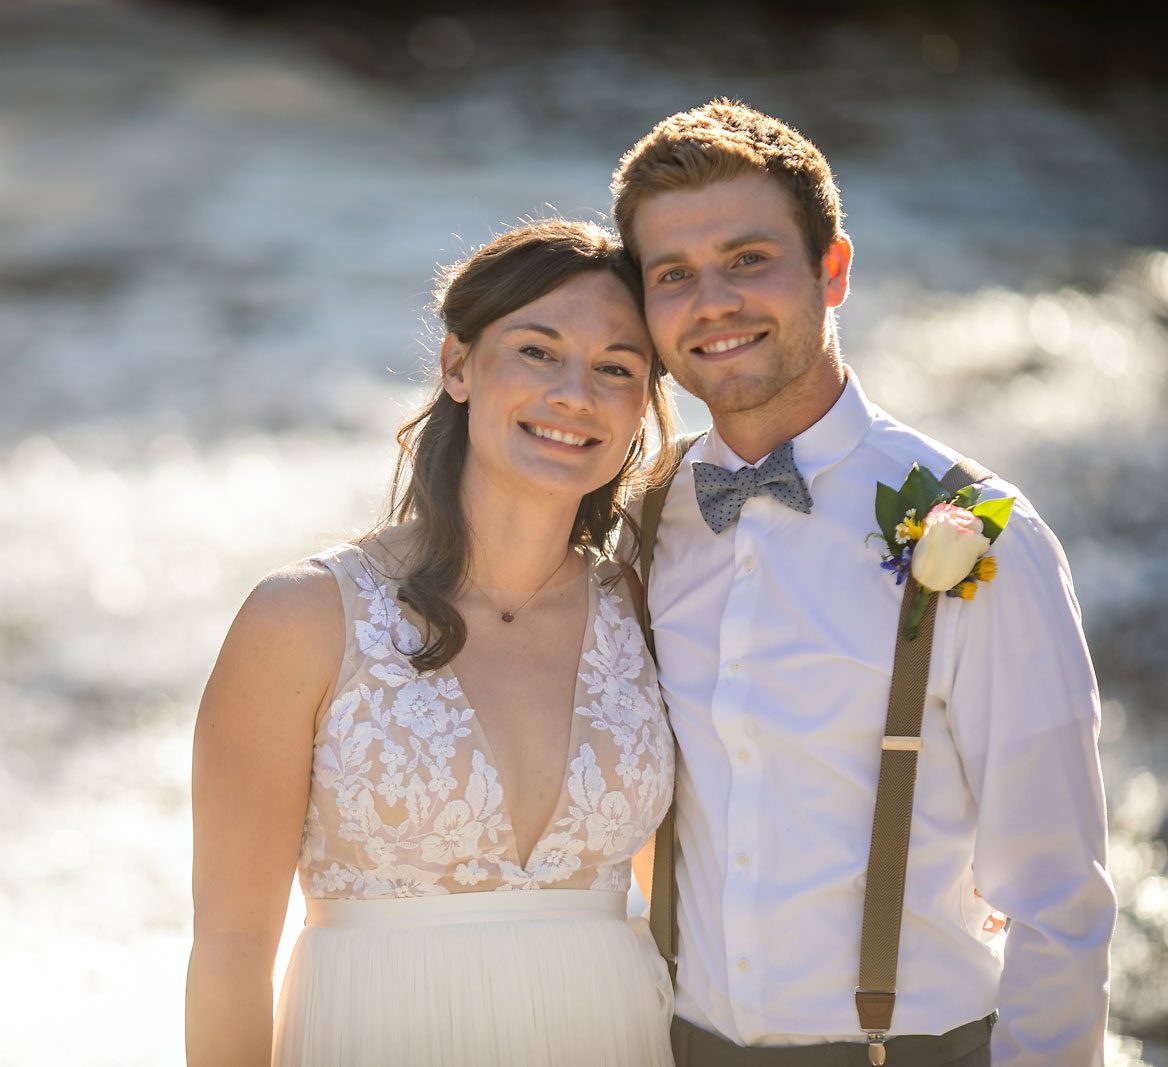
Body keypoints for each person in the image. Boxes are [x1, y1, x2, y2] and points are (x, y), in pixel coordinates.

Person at [610, 100, 1116, 1066]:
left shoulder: (980, 532)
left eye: (749, 259)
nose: (713, 301)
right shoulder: (641, 522)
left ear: (833, 269)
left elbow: (1060, 895)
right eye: (674, 276)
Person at [186, 218, 682, 1065]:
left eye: (615, 369)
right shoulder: (303, 618)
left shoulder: (652, 607)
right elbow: (232, 950)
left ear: (641, 406)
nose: (574, 393)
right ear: (457, 364)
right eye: (537, 351)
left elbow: (692, 911)